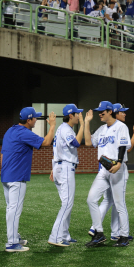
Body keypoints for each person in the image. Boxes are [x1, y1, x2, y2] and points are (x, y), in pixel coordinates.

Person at [0, 107, 56, 252]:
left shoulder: (10, 130)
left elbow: (2, 155)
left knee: (10, 208)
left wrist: (5, 171)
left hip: (6, 175)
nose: (36, 120)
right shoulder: (23, 132)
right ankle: (12, 243)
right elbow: (46, 142)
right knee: (14, 209)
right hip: (16, 177)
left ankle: (14, 236)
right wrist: (53, 126)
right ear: (28, 120)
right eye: (34, 118)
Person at [88, 103, 134, 242]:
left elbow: (123, 146)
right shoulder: (101, 129)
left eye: (102, 111)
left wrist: (118, 162)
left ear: (110, 111)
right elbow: (89, 143)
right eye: (98, 111)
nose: (100, 113)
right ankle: (98, 232)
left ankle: (123, 235)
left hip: (117, 169)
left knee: (118, 203)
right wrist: (86, 122)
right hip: (104, 170)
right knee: (91, 199)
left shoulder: (121, 126)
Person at [47, 105, 84, 247]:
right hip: (65, 168)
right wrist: (83, 125)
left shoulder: (62, 129)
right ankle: (55, 236)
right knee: (67, 203)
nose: (79, 116)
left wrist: (54, 167)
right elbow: (76, 143)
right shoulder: (66, 129)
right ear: (71, 115)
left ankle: (64, 235)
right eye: (77, 114)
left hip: (60, 166)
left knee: (66, 202)